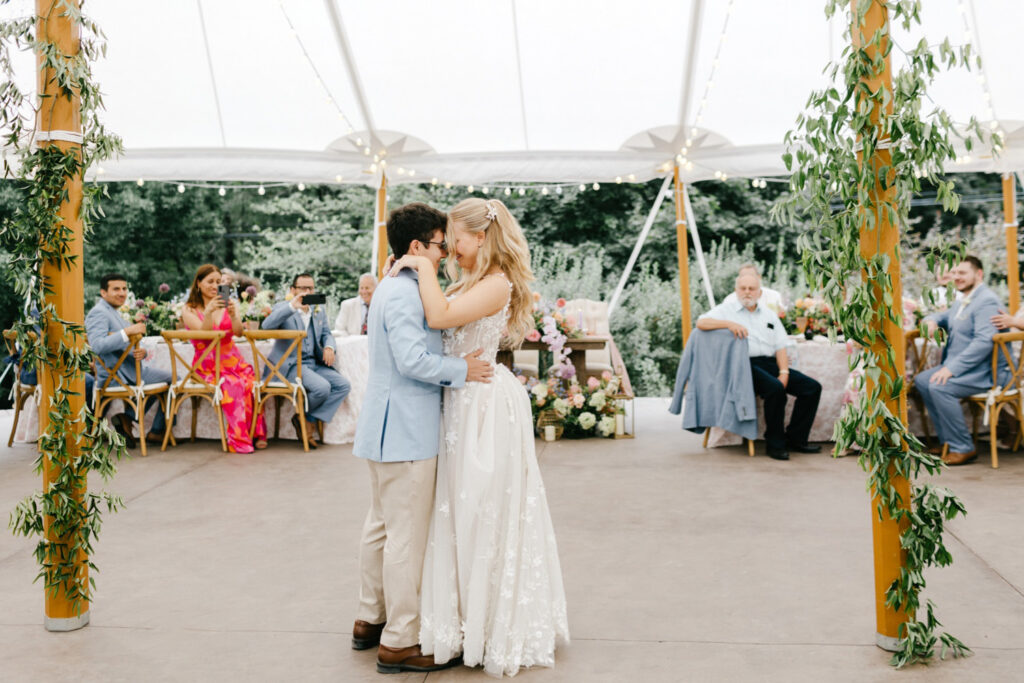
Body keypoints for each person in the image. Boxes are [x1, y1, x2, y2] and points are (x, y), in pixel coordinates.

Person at [391, 198, 570, 677]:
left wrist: (418, 265)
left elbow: (441, 318)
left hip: (485, 407)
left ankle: (489, 624)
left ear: (482, 236)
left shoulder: (495, 284)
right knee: (457, 508)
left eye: (455, 237)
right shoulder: (467, 279)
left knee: (481, 507)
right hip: (462, 402)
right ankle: (461, 618)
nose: (448, 246)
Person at [351, 202, 493, 675]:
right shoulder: (409, 293)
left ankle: (369, 618)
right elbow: (413, 361)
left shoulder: (390, 285)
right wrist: (463, 369)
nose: (446, 252)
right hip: (407, 432)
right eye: (439, 244)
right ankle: (399, 640)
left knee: (380, 528)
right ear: (418, 247)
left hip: (381, 429)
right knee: (405, 538)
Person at [697, 271, 822, 461]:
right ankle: (775, 444)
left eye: (752, 289)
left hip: (769, 363)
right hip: (742, 365)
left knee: (812, 388)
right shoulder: (726, 310)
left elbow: (780, 345)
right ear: (736, 290)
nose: (747, 292)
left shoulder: (769, 315)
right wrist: (729, 324)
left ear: (759, 293)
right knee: (775, 388)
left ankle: (796, 439)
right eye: (743, 288)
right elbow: (701, 323)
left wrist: (784, 371)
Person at [915, 256, 1007, 465]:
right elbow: (943, 316)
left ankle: (963, 447)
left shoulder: (987, 301)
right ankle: (948, 440)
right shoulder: (964, 298)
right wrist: (930, 321)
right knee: (922, 380)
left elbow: (985, 342)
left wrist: (952, 369)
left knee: (939, 386)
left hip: (987, 371)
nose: (956, 277)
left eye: (962, 273)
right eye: (954, 273)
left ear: (979, 274)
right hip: (968, 369)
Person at [180, 264, 268, 453]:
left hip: (233, 360)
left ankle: (256, 433)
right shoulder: (189, 309)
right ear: (198, 284)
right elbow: (205, 335)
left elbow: (238, 333)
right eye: (210, 281)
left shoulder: (227, 304)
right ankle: (238, 439)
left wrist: (235, 315)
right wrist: (210, 312)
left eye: (219, 282)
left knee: (251, 383)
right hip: (207, 365)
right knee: (233, 385)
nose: (215, 286)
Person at [261, 273, 350, 448]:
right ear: (293, 290)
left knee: (342, 385)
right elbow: (266, 326)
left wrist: (329, 347)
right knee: (322, 388)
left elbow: (326, 333)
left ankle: (306, 417)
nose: (307, 291)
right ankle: (305, 422)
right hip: (290, 365)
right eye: (303, 288)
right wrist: (292, 307)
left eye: (310, 288)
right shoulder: (283, 307)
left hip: (313, 363)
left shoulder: (318, 310)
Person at [86, 273, 172, 448]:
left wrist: (141, 351)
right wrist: (128, 331)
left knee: (174, 378)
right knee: (174, 379)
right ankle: (153, 429)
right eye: (116, 289)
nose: (122, 293)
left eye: (124, 289)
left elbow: (130, 344)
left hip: (131, 369)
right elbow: (97, 346)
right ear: (103, 292)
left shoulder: (114, 312)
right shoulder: (98, 313)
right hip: (115, 376)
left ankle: (131, 417)